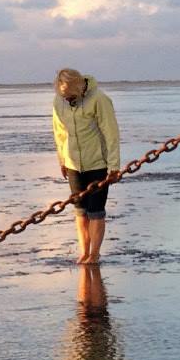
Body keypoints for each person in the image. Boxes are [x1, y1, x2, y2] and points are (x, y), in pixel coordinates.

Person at [51, 68, 119, 268]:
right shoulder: (58, 102)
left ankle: (94, 254)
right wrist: (62, 160)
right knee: (80, 211)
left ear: (79, 88)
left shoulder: (99, 99)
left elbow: (111, 132)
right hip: (73, 164)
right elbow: (59, 133)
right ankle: (84, 252)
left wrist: (113, 165)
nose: (68, 100)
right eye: (64, 97)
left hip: (97, 163)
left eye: (71, 96)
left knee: (95, 211)